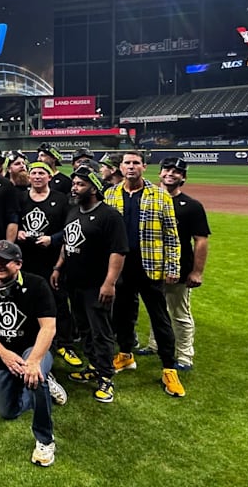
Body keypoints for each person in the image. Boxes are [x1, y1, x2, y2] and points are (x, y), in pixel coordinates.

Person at [0, 241, 67, 467]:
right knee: (8, 411)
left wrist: (34, 361)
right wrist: (4, 354)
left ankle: (45, 440)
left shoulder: (37, 284)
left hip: (34, 348)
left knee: (35, 378)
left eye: (3, 261)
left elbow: (48, 328)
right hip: (6, 351)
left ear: (18, 264)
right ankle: (41, 381)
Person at [103, 151, 185, 397]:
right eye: (127, 163)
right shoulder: (111, 194)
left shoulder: (159, 195)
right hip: (121, 267)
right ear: (121, 166)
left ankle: (169, 368)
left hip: (151, 267)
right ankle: (126, 354)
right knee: (123, 314)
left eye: (135, 163)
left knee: (159, 318)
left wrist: (173, 268)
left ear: (144, 167)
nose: (131, 167)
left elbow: (172, 236)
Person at [55, 166, 127, 403]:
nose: (74, 188)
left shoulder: (110, 216)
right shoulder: (74, 211)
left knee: (101, 333)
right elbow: (68, 241)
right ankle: (93, 366)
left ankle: (106, 378)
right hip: (74, 282)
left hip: (96, 285)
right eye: (74, 183)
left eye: (80, 185)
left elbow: (118, 251)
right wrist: (58, 267)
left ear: (94, 188)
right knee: (84, 330)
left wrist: (109, 283)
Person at [137, 158, 210, 371]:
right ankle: (154, 344)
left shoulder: (192, 206)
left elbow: (201, 240)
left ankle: (185, 356)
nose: (171, 174)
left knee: (180, 313)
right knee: (156, 309)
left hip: (179, 268)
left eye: (177, 171)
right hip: (150, 267)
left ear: (183, 177)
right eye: (167, 169)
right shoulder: (148, 200)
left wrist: (197, 272)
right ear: (159, 173)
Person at [17, 161, 81, 368]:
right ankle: (32, 339)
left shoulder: (61, 200)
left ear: (49, 177)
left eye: (41, 173)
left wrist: (52, 239)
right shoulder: (21, 199)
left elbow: (71, 227)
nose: (37, 176)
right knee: (27, 300)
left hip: (53, 261)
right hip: (26, 261)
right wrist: (18, 232)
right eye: (34, 173)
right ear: (29, 177)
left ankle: (65, 343)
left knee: (59, 302)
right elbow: (13, 222)